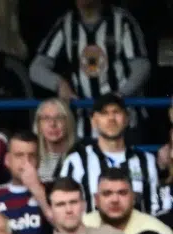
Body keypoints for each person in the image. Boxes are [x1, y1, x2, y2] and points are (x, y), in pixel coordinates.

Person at [29, 1, 150, 137]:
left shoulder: (121, 21)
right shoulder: (67, 23)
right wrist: (59, 84)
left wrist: (119, 95)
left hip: (123, 121)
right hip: (84, 124)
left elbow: (142, 66)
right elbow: (36, 69)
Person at [61, 96, 165, 216]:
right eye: (104, 113)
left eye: (116, 112)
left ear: (126, 119)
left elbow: (155, 208)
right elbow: (65, 208)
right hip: (91, 233)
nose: (111, 118)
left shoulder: (147, 161)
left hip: (136, 233)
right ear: (93, 121)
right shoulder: (76, 162)